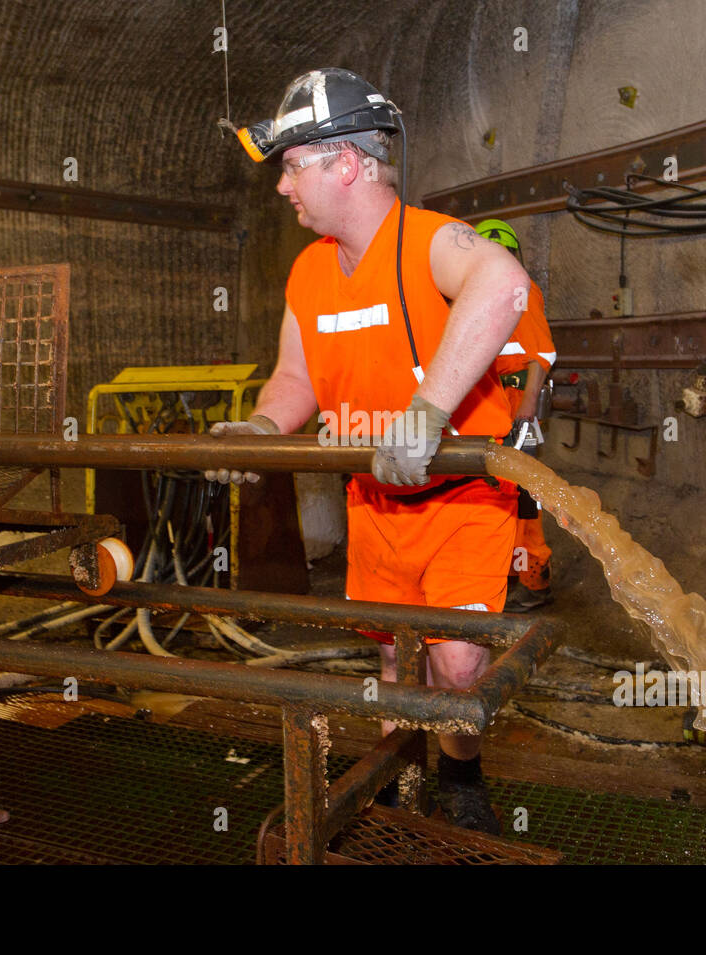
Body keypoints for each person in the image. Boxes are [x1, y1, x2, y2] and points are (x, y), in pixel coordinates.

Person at [207, 68, 529, 834]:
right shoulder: (311, 270)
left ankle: (459, 774)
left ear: (345, 163)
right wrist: (261, 431)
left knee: (453, 664)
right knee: (392, 661)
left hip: (461, 499)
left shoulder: (430, 241)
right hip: (378, 500)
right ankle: (396, 780)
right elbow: (295, 377)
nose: (284, 185)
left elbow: (504, 282)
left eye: (292, 164)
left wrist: (428, 411)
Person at [475, 219, 557, 612]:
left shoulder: (520, 291)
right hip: (492, 403)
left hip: (516, 401)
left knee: (524, 493)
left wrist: (526, 409)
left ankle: (533, 579)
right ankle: (507, 573)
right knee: (499, 492)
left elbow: (541, 354)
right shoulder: (478, 295)